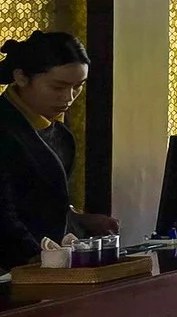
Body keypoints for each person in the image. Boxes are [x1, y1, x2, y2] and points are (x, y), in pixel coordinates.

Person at [0, 31, 110, 268]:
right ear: (21, 77)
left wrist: (79, 220)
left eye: (77, 87)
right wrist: (41, 261)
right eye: (58, 87)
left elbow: (39, 200)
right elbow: (3, 218)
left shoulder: (58, 132)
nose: (69, 98)